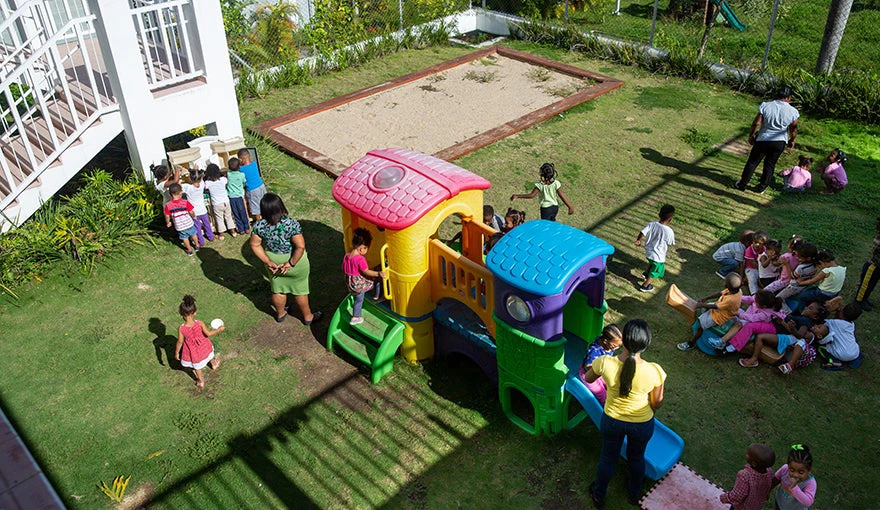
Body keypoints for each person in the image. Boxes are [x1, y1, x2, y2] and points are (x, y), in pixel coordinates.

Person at [586, 320, 666, 508]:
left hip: (612, 420)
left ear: (624, 341)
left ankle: (599, 495)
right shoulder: (655, 371)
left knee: (608, 458)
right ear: (646, 344)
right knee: (637, 458)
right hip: (642, 423)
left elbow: (588, 378)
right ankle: (634, 494)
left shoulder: (604, 362)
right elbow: (657, 403)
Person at [249, 193, 321, 325]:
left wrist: (267, 261)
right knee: (300, 290)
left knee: (278, 288)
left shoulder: (259, 225)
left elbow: (255, 244)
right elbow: (300, 247)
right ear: (280, 206)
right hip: (295, 262)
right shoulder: (291, 224)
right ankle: (308, 317)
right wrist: (290, 263)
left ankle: (281, 314)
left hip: (274, 262)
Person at [734, 86, 799, 193]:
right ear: (789, 98)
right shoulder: (793, 112)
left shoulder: (766, 106)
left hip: (763, 139)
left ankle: (742, 184)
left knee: (753, 162)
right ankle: (761, 188)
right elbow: (794, 129)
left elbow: (756, 123)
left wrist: (751, 135)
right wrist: (792, 140)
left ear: (776, 95)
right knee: (770, 164)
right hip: (779, 141)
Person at [677, 273, 743, 351]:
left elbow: (716, 306)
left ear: (726, 286)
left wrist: (701, 305)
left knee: (700, 327)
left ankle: (691, 343)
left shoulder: (731, 299)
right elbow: (720, 293)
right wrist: (706, 298)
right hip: (721, 309)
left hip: (720, 316)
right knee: (705, 308)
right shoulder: (736, 290)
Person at [709, 290, 786, 351]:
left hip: (751, 321)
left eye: (756, 301)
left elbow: (752, 318)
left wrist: (737, 314)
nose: (754, 301)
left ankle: (722, 341)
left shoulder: (765, 314)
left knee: (739, 324)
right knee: (730, 307)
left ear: (763, 306)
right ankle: (710, 307)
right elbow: (749, 299)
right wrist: (736, 298)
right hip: (746, 315)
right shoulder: (758, 299)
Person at [174, 295, 223, 388]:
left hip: (193, 352)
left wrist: (177, 353)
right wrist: (218, 330)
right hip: (204, 346)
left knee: (197, 367)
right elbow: (208, 334)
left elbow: (180, 342)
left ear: (181, 314)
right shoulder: (199, 323)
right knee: (209, 354)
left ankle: (201, 381)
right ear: (195, 312)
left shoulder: (181, 328)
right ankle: (214, 364)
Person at [343, 228, 386, 325]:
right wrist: (378, 273)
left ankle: (357, 315)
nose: (366, 250)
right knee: (376, 281)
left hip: (351, 283)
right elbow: (366, 272)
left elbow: (346, 269)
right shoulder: (360, 259)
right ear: (362, 248)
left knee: (358, 298)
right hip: (358, 286)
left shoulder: (347, 256)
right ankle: (376, 297)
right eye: (366, 248)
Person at [719, 443, 776, 510]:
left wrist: (724, 498)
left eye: (748, 454)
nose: (746, 454)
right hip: (757, 506)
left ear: (754, 463)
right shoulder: (769, 472)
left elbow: (737, 496)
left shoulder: (745, 476)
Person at [510, 162, 574, 221]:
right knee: (552, 223)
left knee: (545, 225)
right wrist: (570, 206)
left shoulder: (540, 185)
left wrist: (517, 196)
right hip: (555, 207)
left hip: (545, 209)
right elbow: (561, 195)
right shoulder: (556, 183)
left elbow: (531, 195)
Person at [577, 324, 623, 405]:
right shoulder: (594, 351)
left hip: (600, 372)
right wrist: (603, 370)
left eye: (619, 346)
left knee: (613, 385)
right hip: (588, 375)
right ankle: (606, 408)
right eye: (615, 346)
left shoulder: (608, 346)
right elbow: (588, 366)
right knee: (602, 394)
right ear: (605, 341)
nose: (616, 348)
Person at [635, 204, 675, 293]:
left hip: (649, 252)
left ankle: (646, 273)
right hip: (658, 256)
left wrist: (638, 240)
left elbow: (642, 232)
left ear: (659, 214)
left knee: (651, 262)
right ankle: (645, 285)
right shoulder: (669, 231)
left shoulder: (652, 224)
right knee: (656, 271)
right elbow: (670, 242)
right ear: (670, 219)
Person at [816, 304, 861, 370]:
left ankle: (834, 362)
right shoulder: (852, 324)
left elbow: (822, 323)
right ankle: (854, 362)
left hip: (842, 354)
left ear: (841, 314)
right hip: (855, 352)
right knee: (851, 348)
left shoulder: (833, 323)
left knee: (821, 348)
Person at [772, 444, 817, 509]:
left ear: (809, 470)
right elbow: (775, 480)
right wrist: (767, 490)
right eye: (792, 470)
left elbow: (808, 502)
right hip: (780, 503)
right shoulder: (785, 469)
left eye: (801, 472)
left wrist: (794, 487)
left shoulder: (810, 483)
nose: (795, 475)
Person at [163, 183, 199, 256]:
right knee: (194, 234)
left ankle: (189, 250)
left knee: (184, 238)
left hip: (179, 226)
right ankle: (197, 246)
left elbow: (167, 215)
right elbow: (191, 211)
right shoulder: (185, 202)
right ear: (180, 193)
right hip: (189, 223)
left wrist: (168, 222)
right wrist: (194, 216)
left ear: (170, 194)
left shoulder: (168, 205)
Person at [183, 169, 215, 246]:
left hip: (194, 212)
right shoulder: (202, 185)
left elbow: (177, 184)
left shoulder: (187, 187)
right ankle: (211, 237)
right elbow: (201, 178)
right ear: (200, 178)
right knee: (207, 224)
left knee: (197, 228)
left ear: (190, 178)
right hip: (203, 210)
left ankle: (201, 241)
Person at [854, 217, 880, 311]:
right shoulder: (878, 241)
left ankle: (865, 298)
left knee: (871, 284)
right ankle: (859, 301)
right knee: (865, 285)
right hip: (873, 266)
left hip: (877, 267)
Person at [204, 163, 236, 239]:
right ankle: (233, 231)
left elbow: (204, 186)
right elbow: (226, 180)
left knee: (219, 218)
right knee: (228, 216)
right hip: (226, 201)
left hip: (217, 204)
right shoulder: (223, 180)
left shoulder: (208, 183)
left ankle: (221, 235)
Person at [238, 148, 266, 221]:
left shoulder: (241, 169)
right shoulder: (254, 163)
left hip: (252, 190)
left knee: (256, 207)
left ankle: (259, 223)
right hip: (261, 186)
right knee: (264, 203)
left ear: (240, 159)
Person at [226, 157, 250, 234]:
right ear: (239, 167)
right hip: (239, 197)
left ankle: (241, 229)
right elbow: (244, 182)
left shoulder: (228, 175)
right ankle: (247, 227)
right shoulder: (241, 175)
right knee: (243, 212)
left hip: (232, 198)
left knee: (236, 214)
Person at [743, 231, 768, 295]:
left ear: (764, 244)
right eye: (755, 242)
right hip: (751, 268)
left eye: (760, 243)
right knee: (752, 278)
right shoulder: (749, 250)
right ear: (752, 241)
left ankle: (767, 289)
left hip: (761, 267)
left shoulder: (764, 249)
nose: (757, 245)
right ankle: (754, 293)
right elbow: (753, 264)